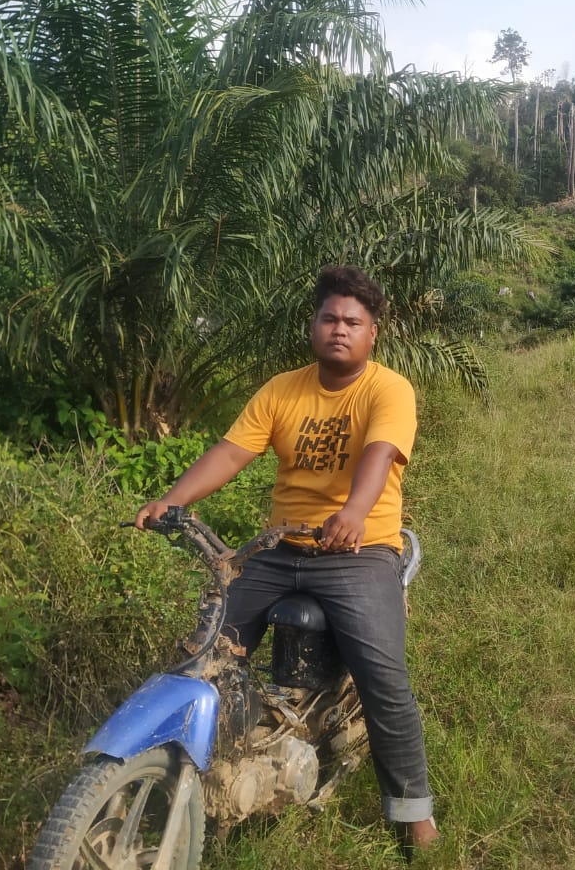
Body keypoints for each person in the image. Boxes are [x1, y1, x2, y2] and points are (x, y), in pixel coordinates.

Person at [134, 265, 440, 852]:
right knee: (203, 655)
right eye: (330, 318)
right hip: (280, 548)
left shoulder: (388, 389)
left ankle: (413, 813)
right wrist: (170, 500)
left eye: (354, 321)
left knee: (384, 678)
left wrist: (354, 513)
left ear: (372, 334)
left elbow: (380, 455)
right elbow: (230, 452)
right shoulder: (282, 389)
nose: (340, 329)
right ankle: (182, 776)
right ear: (313, 325)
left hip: (360, 551)